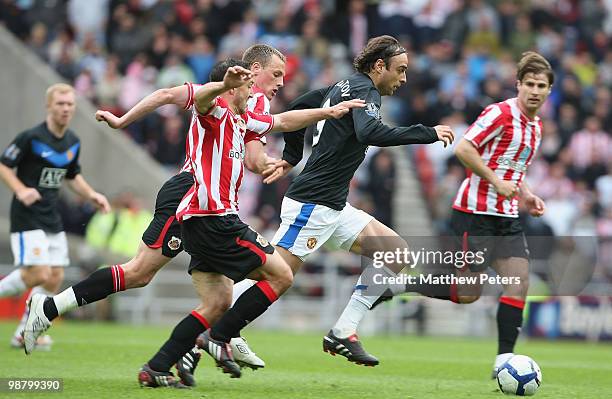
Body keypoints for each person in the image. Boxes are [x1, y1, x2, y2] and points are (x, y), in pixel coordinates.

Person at [20, 44, 286, 376]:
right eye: (276, 75)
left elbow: (254, 157)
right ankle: (48, 308)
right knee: (139, 273)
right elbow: (166, 94)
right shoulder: (223, 97)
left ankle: (177, 358)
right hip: (190, 195)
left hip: (208, 203)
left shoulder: (250, 108)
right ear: (253, 72)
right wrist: (122, 120)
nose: (280, 84)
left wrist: (276, 160)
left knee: (218, 298)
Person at [218, 35, 454, 370]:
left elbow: (299, 106)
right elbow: (369, 132)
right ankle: (212, 328)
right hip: (313, 205)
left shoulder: (342, 85)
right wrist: (426, 132)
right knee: (275, 275)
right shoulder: (365, 91)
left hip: (332, 205)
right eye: (400, 70)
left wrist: (292, 156)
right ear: (379, 66)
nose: (404, 79)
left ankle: (343, 331)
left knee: (395, 252)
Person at [137, 59, 365, 388]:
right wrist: (223, 86)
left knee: (217, 302)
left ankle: (158, 367)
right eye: (248, 87)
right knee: (281, 275)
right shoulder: (214, 111)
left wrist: (327, 113)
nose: (254, 93)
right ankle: (221, 336)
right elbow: (201, 99)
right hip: (213, 218)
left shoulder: (244, 119)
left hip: (200, 220)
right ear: (234, 87)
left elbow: (284, 120)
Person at [450, 51, 553, 378]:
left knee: (519, 282)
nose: (535, 90)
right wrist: (495, 182)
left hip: (507, 216)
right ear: (518, 85)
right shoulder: (499, 113)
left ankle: (503, 361)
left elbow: (514, 170)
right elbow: (464, 148)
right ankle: (401, 287)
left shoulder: (536, 128)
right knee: (469, 293)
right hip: (475, 211)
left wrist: (526, 194)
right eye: (530, 84)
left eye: (541, 85)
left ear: (549, 90)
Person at [0, 83, 110, 350]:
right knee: (38, 273)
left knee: (54, 277)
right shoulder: (30, 138)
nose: (65, 108)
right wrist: (21, 189)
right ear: (49, 106)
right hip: (27, 216)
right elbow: (4, 165)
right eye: (60, 103)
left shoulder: (73, 142)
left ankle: (26, 332)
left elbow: (72, 176)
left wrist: (91, 195)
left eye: (70, 104)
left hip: (51, 216)